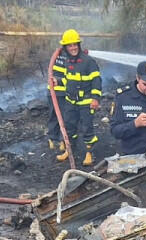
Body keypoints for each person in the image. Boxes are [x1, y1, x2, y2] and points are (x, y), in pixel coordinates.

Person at [47, 29, 103, 166]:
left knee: (87, 129)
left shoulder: (88, 62)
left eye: (75, 45)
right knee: (69, 127)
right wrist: (58, 82)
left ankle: (90, 154)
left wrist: (95, 98)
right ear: (65, 47)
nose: (73, 48)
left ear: (79, 45)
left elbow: (96, 81)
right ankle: (70, 151)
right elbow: (68, 81)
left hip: (86, 102)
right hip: (70, 102)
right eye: (69, 45)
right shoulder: (68, 62)